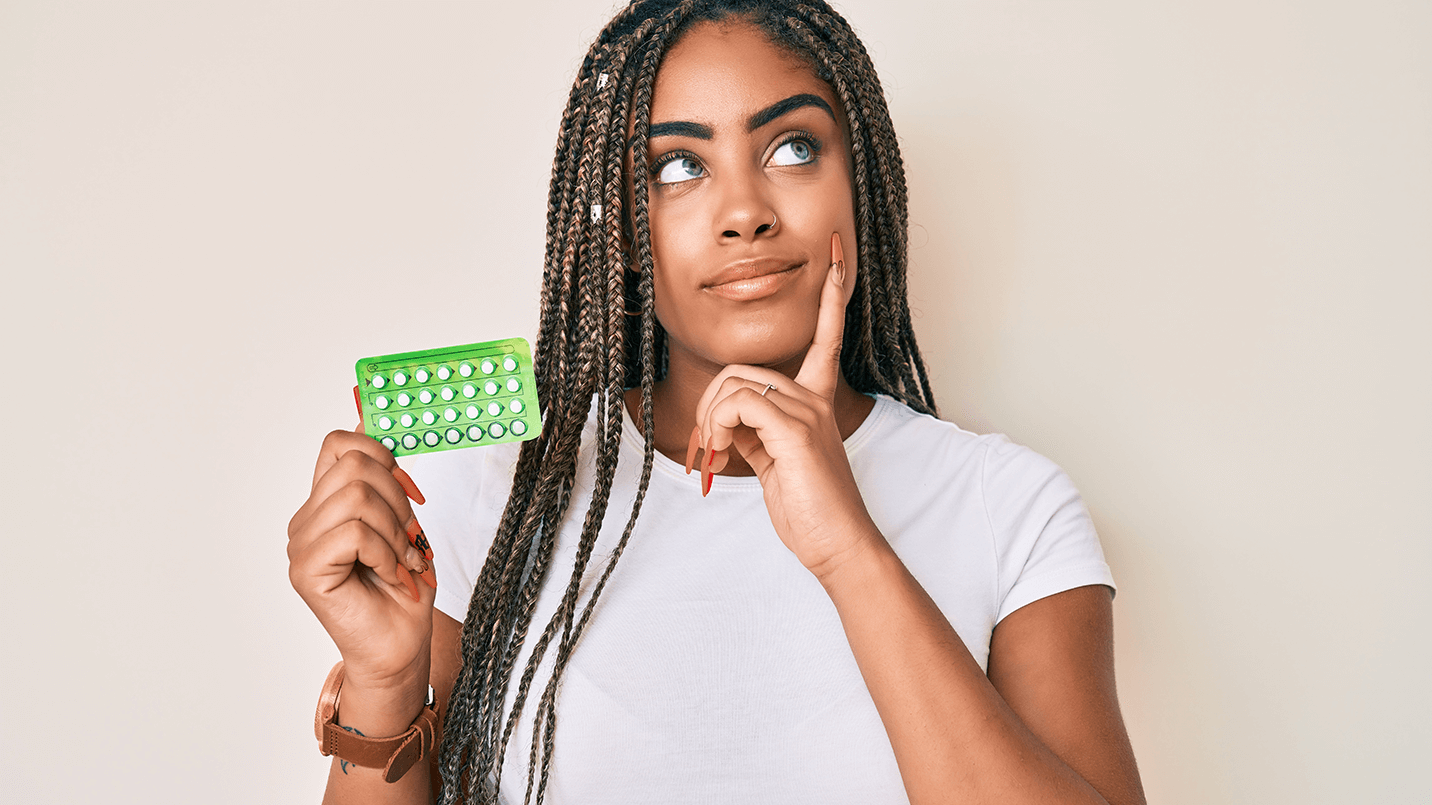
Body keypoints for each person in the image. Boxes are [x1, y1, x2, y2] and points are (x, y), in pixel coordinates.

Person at [287, 1, 1147, 803]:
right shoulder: (496, 496)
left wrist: (849, 550)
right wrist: (385, 680)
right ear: (622, 225)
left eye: (793, 148)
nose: (743, 212)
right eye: (678, 166)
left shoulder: (1011, 507)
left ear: (863, 181)